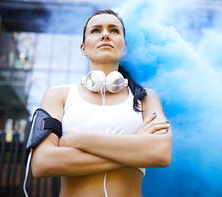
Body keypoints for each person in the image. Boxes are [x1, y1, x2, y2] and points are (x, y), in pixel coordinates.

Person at [31, 8, 172, 197]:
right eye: (96, 30)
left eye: (114, 30)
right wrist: (135, 146)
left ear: (125, 47)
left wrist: (79, 140)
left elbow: (160, 153)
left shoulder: (146, 97)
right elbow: (42, 163)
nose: (105, 34)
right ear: (83, 48)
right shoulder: (58, 95)